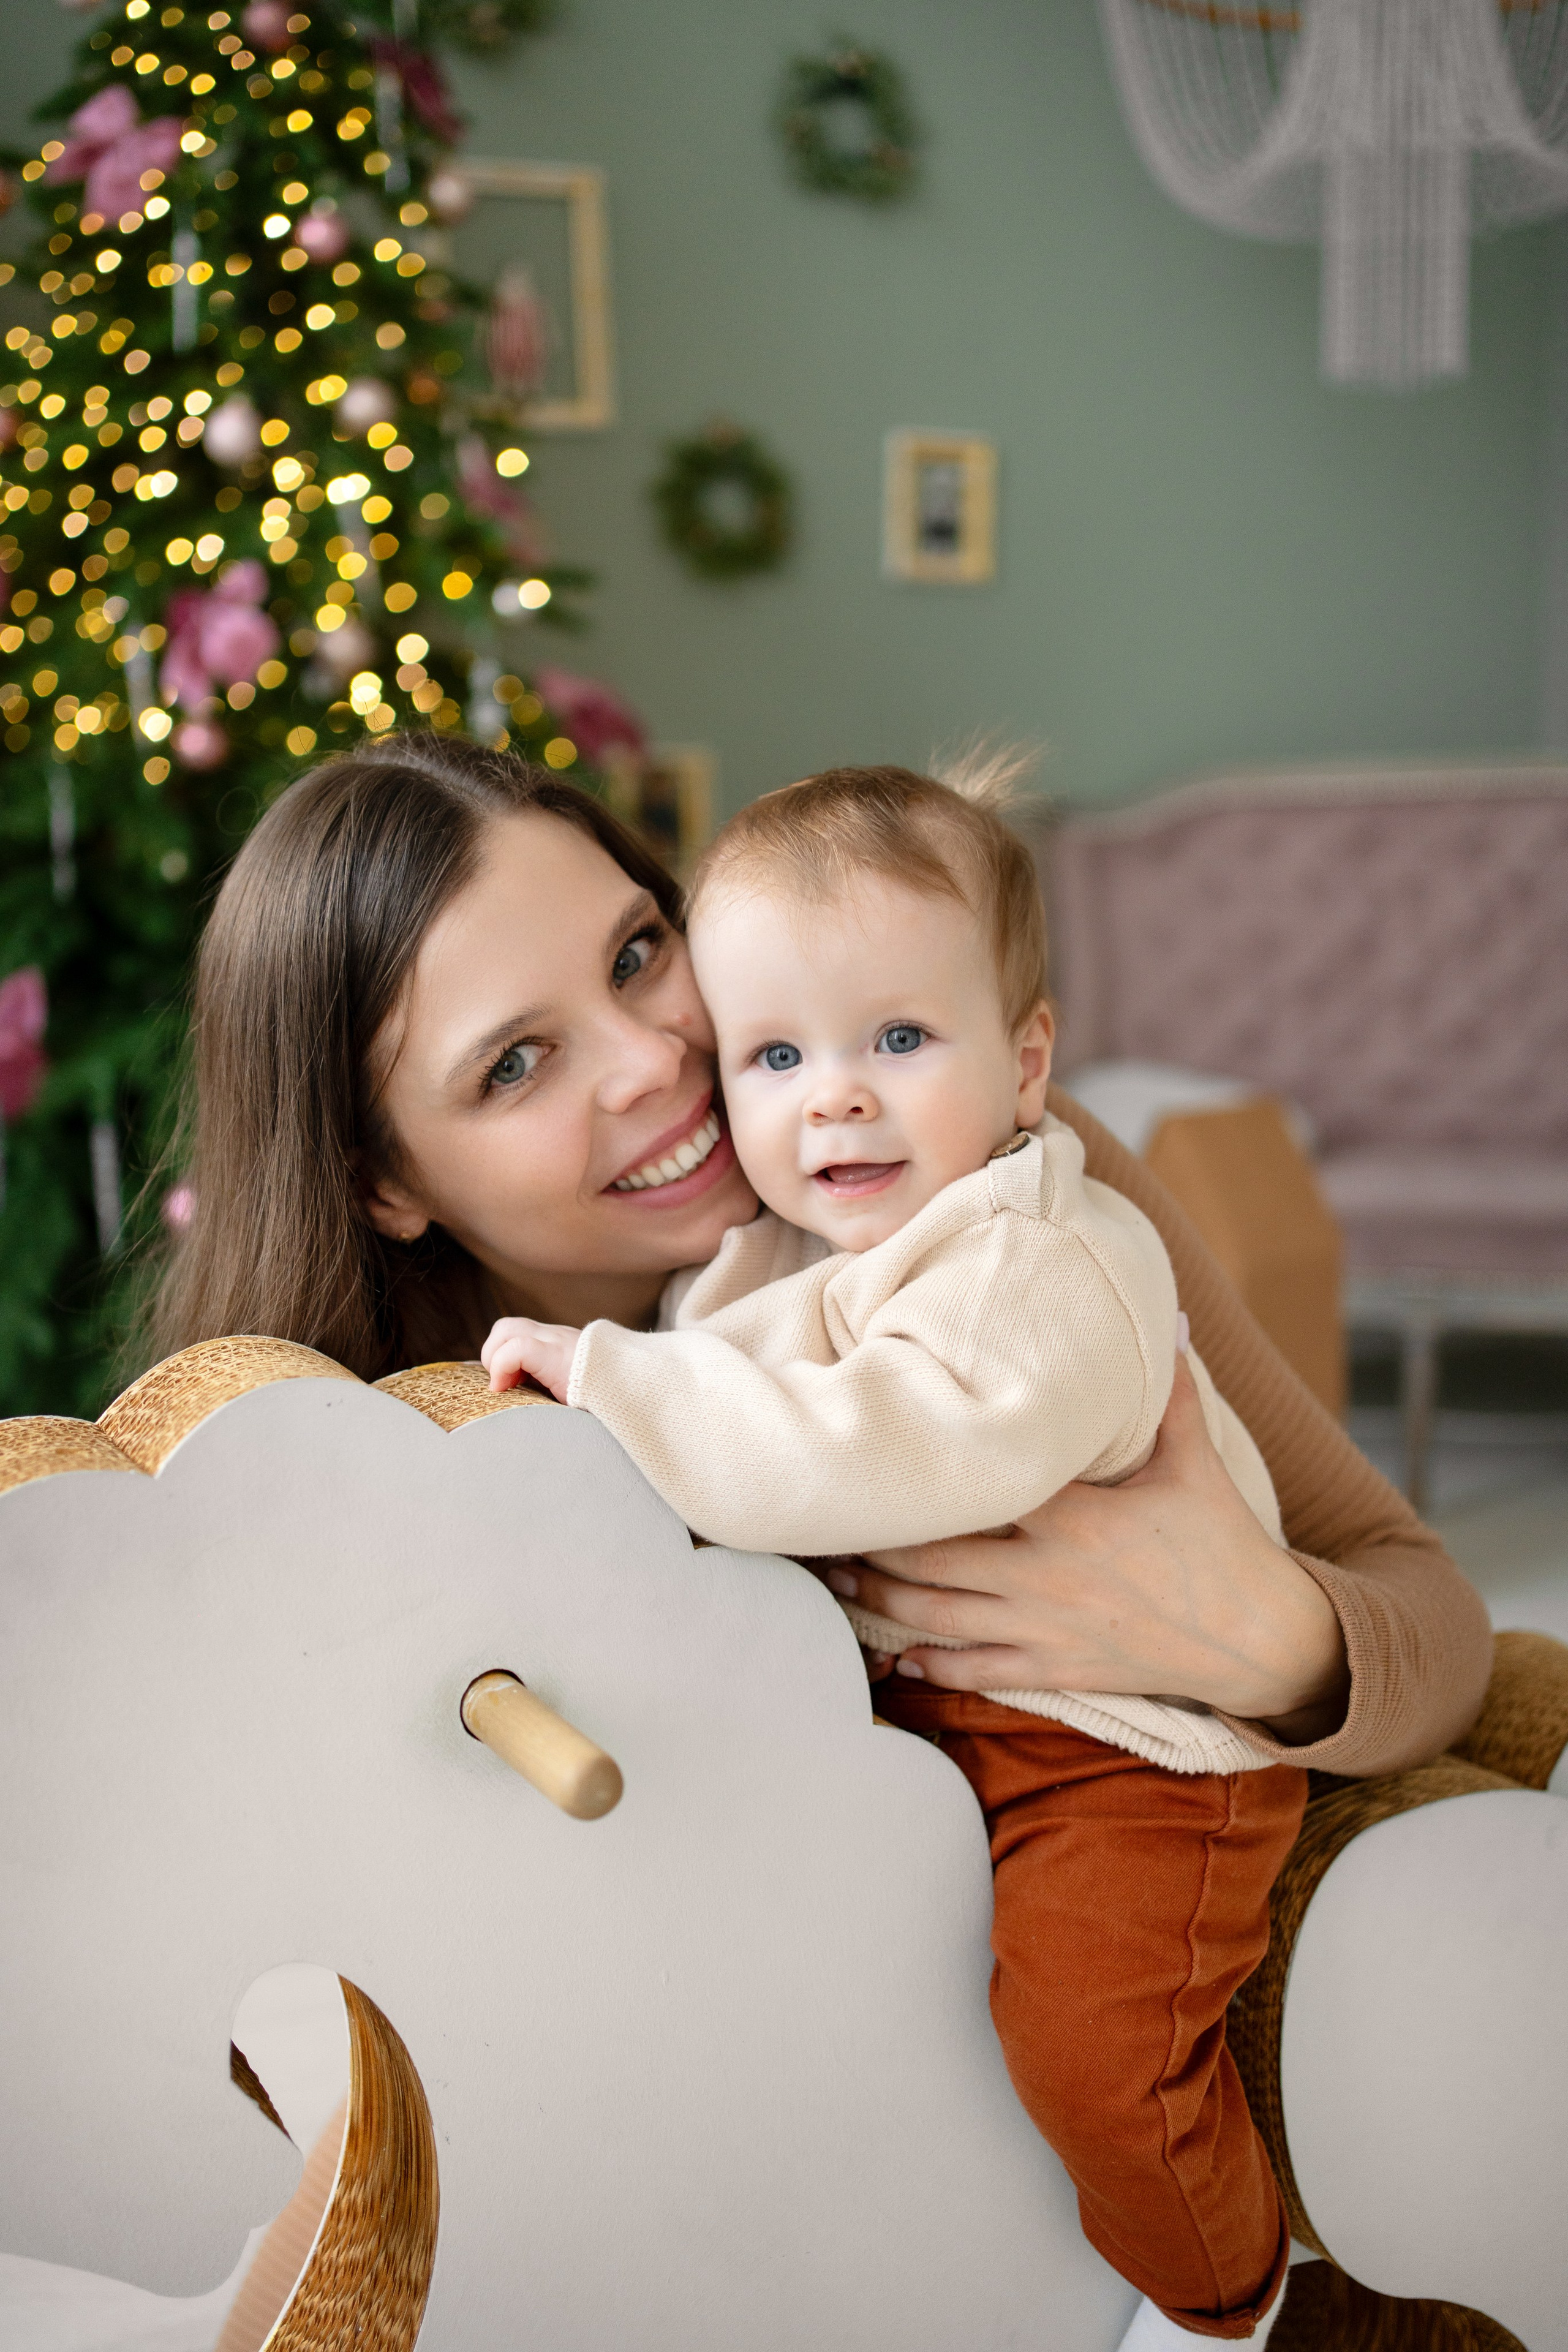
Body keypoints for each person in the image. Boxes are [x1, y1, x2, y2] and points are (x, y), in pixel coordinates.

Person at [150, 732, 1493, 2332]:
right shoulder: (391, 1465)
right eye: (518, 1063)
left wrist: (1270, 1636)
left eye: (640, 955)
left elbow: (1439, 1616)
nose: (654, 1062)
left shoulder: (994, 1198)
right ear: (385, 1184)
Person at [479, 761, 1303, 2346]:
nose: (833, 1096)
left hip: (1121, 1757)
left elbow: (871, 1444)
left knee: (1092, 2054)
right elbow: (738, 1371)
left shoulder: (1039, 1252)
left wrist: (616, 1381)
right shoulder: (791, 1250)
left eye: (898, 1041)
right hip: (936, 1734)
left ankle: (1229, 2300)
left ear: (1026, 1065)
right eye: (776, 1055)